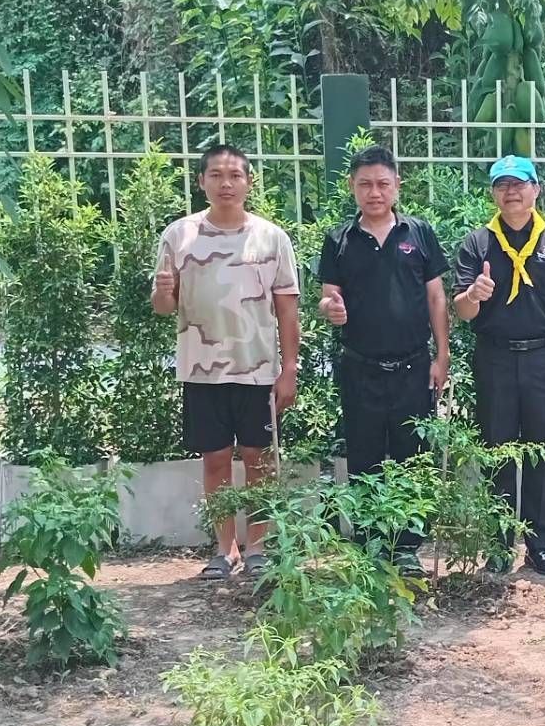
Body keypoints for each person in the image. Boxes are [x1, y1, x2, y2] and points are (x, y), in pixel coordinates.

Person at [149, 144, 301, 580]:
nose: (226, 183)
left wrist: (289, 369)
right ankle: (224, 548)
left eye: (235, 175)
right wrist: (163, 291)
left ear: (249, 182)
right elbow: (163, 306)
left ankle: (257, 547)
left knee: (259, 460)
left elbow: (288, 309)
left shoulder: (271, 238)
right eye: (216, 175)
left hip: (258, 370)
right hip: (202, 370)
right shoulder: (178, 236)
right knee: (215, 460)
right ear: (201, 182)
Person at [315, 145, 450, 578]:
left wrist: (442, 354)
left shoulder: (419, 233)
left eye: (382, 184)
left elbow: (435, 296)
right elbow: (327, 297)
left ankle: (407, 546)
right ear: (353, 188)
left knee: (413, 456)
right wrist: (329, 310)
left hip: (413, 365)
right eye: (365, 184)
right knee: (365, 457)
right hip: (360, 367)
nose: (374, 192)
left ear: (397, 186)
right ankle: (372, 543)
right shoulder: (339, 239)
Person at [452, 155, 545, 577]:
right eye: (502, 185)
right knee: (498, 449)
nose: (511, 192)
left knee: (543, 451)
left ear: (536, 190)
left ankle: (539, 545)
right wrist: (474, 293)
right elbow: (462, 311)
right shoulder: (477, 243)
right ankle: (497, 541)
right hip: (494, 357)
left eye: (519, 184)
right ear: (493, 193)